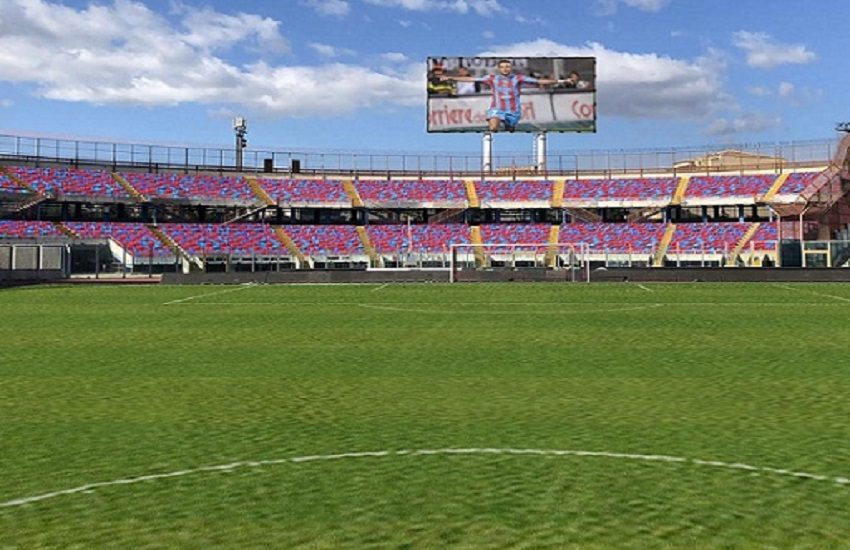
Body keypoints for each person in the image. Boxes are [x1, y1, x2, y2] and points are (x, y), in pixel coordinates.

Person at [441, 59, 560, 133]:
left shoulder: (518, 78)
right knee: (493, 126)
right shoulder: (492, 78)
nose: (505, 69)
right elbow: (471, 78)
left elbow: (538, 82)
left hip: (513, 111)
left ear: (510, 68)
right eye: (502, 67)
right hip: (497, 109)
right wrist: (451, 77)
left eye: (507, 66)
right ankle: (491, 133)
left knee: (511, 128)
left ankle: (510, 125)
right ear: (499, 68)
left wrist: (558, 81)